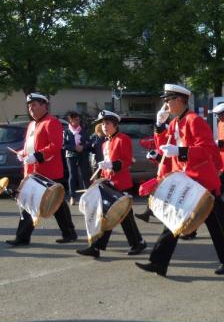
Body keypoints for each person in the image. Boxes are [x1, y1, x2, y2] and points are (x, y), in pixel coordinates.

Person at [135, 84, 224, 277]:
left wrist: (181, 151)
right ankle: (158, 262)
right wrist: (159, 126)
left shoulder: (194, 120)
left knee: (215, 224)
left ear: (180, 100)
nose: (165, 104)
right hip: (186, 181)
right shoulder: (175, 123)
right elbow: (163, 146)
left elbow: (207, 150)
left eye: (168, 100)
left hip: (202, 182)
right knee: (173, 221)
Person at [5, 93, 78, 246]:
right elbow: (29, 146)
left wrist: (37, 156)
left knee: (53, 203)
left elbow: (55, 146)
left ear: (44, 105)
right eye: (29, 106)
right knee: (40, 203)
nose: (31, 108)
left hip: (48, 171)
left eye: (34, 105)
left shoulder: (52, 122)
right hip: (32, 171)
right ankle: (68, 233)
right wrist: (22, 153)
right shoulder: (32, 124)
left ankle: (23, 237)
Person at [76, 110, 147, 257]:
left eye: (107, 123)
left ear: (115, 125)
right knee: (109, 215)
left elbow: (126, 161)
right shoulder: (105, 143)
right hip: (109, 184)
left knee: (123, 217)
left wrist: (112, 165)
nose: (104, 126)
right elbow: (106, 167)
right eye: (102, 124)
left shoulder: (123, 139)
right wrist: (101, 177)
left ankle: (137, 243)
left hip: (121, 184)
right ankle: (97, 247)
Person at [63, 111, 91, 205]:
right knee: (72, 175)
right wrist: (74, 148)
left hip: (83, 154)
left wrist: (83, 146)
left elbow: (88, 142)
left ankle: (87, 197)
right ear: (70, 121)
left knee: (84, 175)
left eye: (79, 119)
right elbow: (63, 145)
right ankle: (72, 197)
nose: (78, 121)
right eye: (75, 120)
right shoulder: (66, 132)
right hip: (71, 155)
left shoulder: (84, 130)